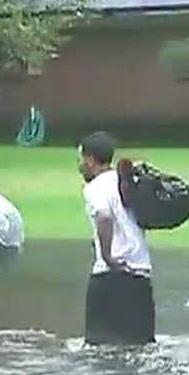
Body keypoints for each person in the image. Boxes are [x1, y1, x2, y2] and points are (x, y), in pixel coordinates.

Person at [78, 131, 155, 345]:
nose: (80, 166)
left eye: (80, 160)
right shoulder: (128, 183)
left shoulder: (95, 187)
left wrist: (107, 256)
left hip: (110, 277)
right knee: (140, 347)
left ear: (90, 160)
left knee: (99, 347)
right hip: (141, 276)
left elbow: (104, 217)